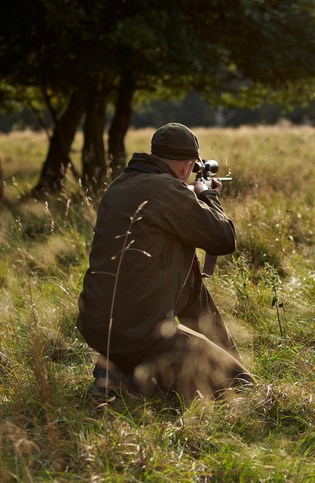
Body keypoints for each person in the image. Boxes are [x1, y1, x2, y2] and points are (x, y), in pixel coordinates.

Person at [76, 122, 252, 402]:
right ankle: (131, 377)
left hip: (97, 325)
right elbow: (223, 239)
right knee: (241, 388)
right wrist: (208, 195)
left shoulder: (120, 185)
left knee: (192, 284)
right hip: (143, 332)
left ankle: (116, 370)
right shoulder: (168, 189)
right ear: (186, 166)